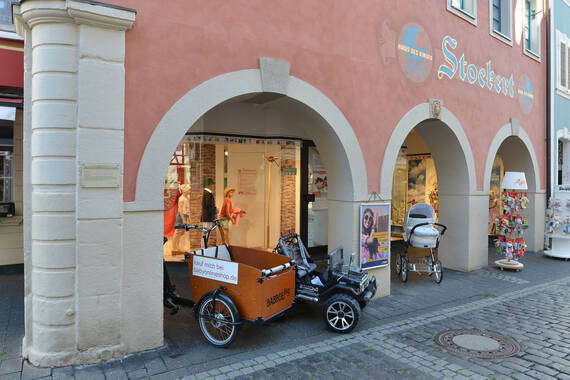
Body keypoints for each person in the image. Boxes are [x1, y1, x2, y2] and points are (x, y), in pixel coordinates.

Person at [172, 183, 191, 252]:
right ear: (185, 190)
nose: (190, 191)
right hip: (181, 216)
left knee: (179, 233)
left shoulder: (187, 198)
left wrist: (189, 218)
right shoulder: (181, 199)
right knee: (177, 232)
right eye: (189, 189)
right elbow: (180, 210)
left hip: (185, 215)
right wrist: (183, 219)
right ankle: (174, 248)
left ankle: (177, 247)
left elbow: (188, 209)